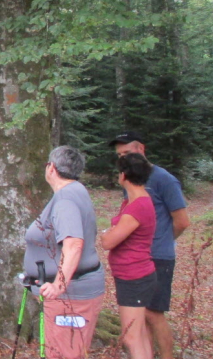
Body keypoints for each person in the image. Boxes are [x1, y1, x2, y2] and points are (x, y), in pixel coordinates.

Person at [110, 132, 189, 359]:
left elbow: (182, 221)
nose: (123, 158)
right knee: (140, 315)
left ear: (141, 149)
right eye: (119, 155)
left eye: (127, 153)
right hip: (136, 258)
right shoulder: (129, 179)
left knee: (154, 313)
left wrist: (161, 241)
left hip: (158, 257)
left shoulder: (164, 180)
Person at [25, 145, 105, 359]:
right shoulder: (75, 190)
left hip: (71, 294)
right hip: (71, 292)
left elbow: (74, 244)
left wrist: (59, 285)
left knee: (64, 354)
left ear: (51, 168)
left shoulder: (66, 200)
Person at [102, 153, 158, 359]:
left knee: (131, 337)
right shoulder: (132, 201)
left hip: (134, 277)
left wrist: (107, 234)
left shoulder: (138, 206)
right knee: (139, 334)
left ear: (124, 175)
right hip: (133, 275)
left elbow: (108, 242)